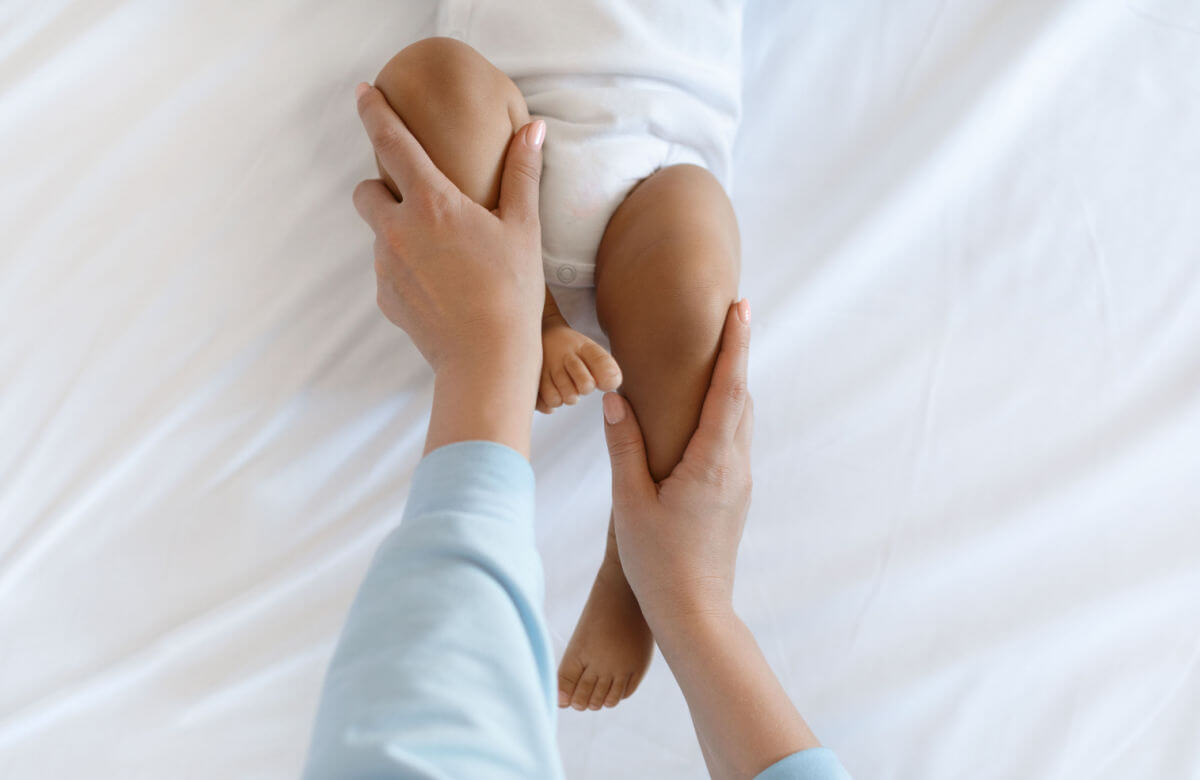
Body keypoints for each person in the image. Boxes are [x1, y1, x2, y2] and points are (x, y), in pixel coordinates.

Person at [299, 79, 851, 779]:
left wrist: (485, 357)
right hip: (615, 170)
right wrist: (698, 611)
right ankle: (648, 566)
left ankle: (630, 556)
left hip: (549, 189)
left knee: (432, 81)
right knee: (432, 84)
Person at [369, 27, 742, 711]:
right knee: (427, 75)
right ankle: (535, 318)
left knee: (696, 293)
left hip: (658, 181)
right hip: (497, 142)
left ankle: (634, 566)